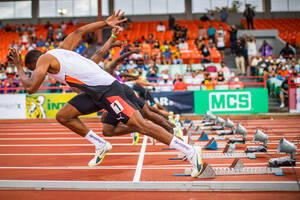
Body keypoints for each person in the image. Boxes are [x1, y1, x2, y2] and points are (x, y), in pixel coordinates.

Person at [9, 10, 203, 178]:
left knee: (142, 125)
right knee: (63, 116)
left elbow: (31, 87)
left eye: (33, 70)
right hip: (95, 93)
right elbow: (79, 31)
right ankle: (100, 144)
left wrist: (18, 66)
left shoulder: (43, 60)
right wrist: (104, 23)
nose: (36, 73)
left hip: (108, 90)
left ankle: (189, 150)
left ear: (34, 65)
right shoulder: (60, 51)